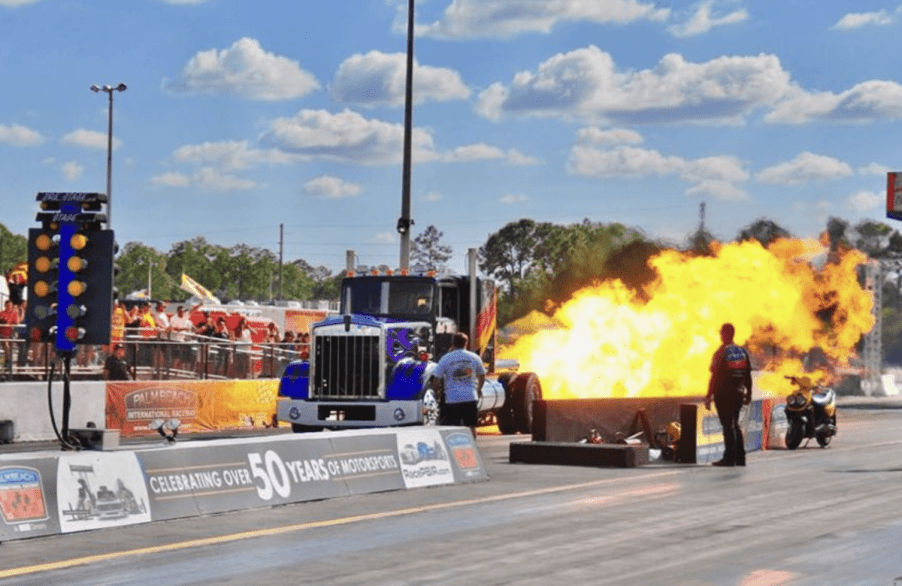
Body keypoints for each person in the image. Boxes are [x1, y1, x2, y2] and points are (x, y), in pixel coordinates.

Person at [705, 323, 753, 467]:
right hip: (738, 393)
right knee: (735, 425)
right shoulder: (741, 351)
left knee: (727, 425)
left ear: (725, 334)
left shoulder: (722, 352)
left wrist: (708, 395)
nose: (720, 336)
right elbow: (747, 375)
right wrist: (748, 393)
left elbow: (714, 376)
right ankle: (740, 458)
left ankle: (729, 458)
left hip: (724, 394)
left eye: (721, 333)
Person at [432, 332, 485, 437]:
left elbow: (436, 378)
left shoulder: (446, 358)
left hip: (452, 398)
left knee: (453, 427)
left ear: (452, 343)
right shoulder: (474, 357)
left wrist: (437, 393)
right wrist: (478, 389)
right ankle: (473, 447)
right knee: (471, 426)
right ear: (466, 343)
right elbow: (482, 375)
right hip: (470, 397)